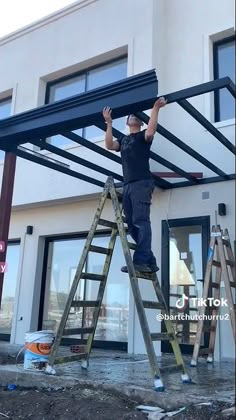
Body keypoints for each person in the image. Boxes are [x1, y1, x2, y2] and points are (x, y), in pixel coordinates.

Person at [103, 97, 167, 273]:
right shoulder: (123, 140)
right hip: (129, 184)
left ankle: (140, 260)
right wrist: (108, 123)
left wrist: (155, 108)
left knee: (140, 220)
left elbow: (151, 130)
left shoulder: (142, 136)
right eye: (131, 116)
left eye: (137, 116)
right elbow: (109, 145)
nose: (134, 117)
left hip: (142, 182)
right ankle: (150, 260)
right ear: (127, 121)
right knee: (131, 223)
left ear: (139, 121)